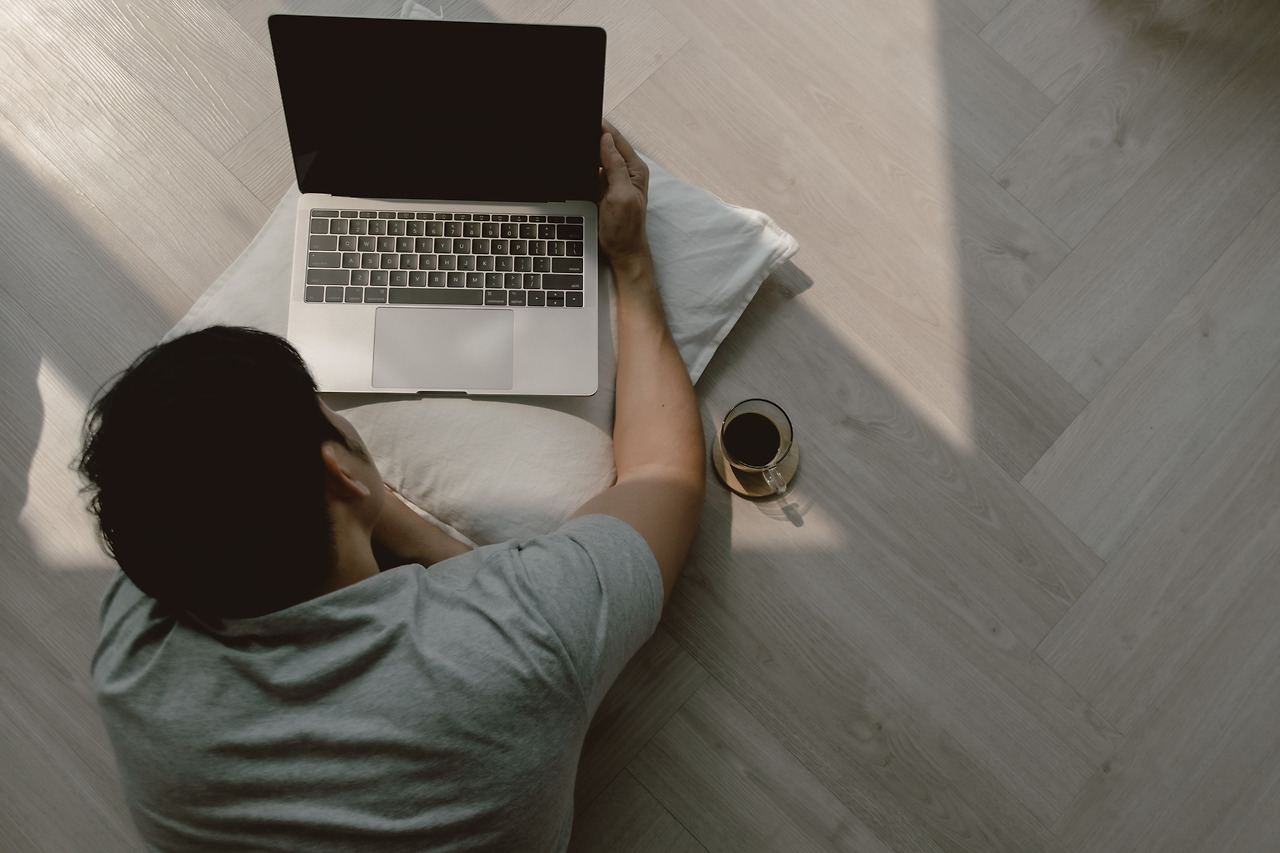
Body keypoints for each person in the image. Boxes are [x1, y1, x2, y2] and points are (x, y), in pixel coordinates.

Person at [80, 121, 705, 852]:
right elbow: (665, 475)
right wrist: (629, 259)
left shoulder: (132, 664)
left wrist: (373, 505)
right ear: (338, 467)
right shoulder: (525, 637)